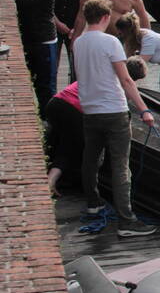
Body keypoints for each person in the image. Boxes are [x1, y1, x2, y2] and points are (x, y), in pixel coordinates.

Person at [75, 0, 157, 237]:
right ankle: (126, 221)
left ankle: (93, 203)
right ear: (105, 17)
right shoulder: (110, 41)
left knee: (91, 159)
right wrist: (143, 109)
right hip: (113, 110)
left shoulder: (79, 43)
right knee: (121, 166)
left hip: (89, 110)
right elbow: (126, 80)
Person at [45, 57, 148, 197]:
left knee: (60, 142)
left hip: (56, 103)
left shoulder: (102, 72)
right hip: (73, 110)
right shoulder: (119, 87)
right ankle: (55, 182)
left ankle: (48, 175)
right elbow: (118, 116)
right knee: (76, 151)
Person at [0, 0, 58, 113]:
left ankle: (48, 118)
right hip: (30, 39)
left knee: (46, 85)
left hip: (44, 42)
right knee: (29, 78)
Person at [46, 0, 87, 83]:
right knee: (52, 62)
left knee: (75, 64)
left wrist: (76, 30)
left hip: (73, 29)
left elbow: (82, 9)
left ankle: (73, 93)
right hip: (53, 26)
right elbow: (46, 5)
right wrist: (58, 24)